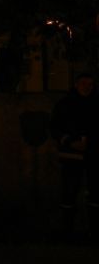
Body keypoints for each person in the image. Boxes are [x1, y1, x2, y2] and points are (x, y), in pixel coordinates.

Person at [50, 72, 99, 241]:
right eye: (83, 83)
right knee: (69, 191)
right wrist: (69, 141)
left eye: (90, 84)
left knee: (96, 193)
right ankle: (67, 231)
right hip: (71, 155)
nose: (87, 87)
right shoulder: (65, 104)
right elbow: (54, 127)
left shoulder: (96, 103)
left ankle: (94, 231)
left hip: (94, 156)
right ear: (76, 84)